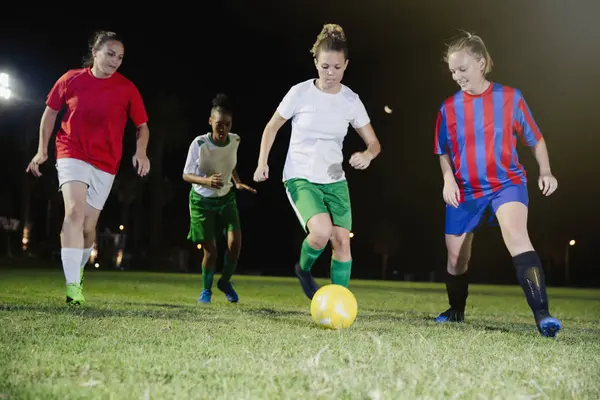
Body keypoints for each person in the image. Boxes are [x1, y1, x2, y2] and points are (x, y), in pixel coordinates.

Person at [433, 31, 561, 337]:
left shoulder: (511, 98)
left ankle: (543, 316)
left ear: (480, 63)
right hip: (465, 192)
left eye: (462, 69)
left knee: (517, 236)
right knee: (456, 258)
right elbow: (443, 151)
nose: (457, 76)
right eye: (453, 71)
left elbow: (536, 138)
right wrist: (448, 179)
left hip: (507, 183)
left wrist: (546, 171)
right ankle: (456, 311)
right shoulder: (448, 108)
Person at [253, 23, 381, 300]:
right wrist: (262, 162)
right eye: (325, 67)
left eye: (337, 67)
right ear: (315, 62)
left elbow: (374, 142)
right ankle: (303, 268)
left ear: (346, 64)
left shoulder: (351, 100)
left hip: (335, 181)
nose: (331, 73)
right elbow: (271, 127)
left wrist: (368, 155)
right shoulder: (299, 93)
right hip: (300, 176)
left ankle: (337, 302)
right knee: (321, 232)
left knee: (341, 242)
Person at [25, 31, 150, 306]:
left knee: (88, 226)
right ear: (95, 52)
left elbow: (142, 126)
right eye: (110, 54)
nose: (115, 61)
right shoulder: (71, 79)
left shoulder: (127, 88)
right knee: (74, 212)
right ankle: (72, 288)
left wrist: (141, 151)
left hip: (106, 162)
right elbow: (50, 113)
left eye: (120, 57)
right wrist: (42, 150)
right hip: (72, 151)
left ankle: (78, 271)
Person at [183, 93, 256, 304]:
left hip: (226, 198)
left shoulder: (235, 140)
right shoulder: (199, 144)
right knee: (211, 252)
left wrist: (238, 181)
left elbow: (229, 163)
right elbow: (186, 175)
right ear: (210, 122)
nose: (223, 129)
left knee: (235, 244)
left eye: (227, 124)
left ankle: (224, 282)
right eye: (219, 124)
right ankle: (206, 290)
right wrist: (206, 181)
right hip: (201, 202)